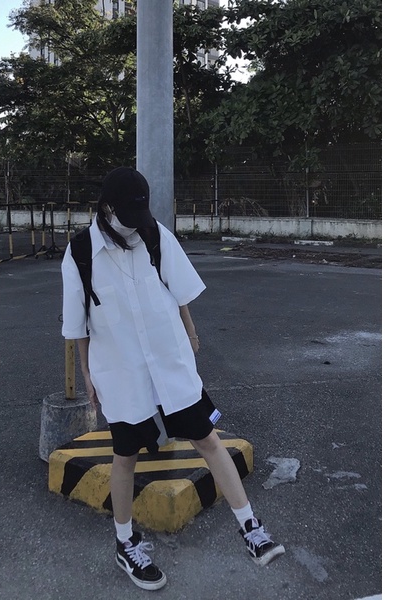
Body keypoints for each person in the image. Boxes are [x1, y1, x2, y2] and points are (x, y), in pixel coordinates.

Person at [61, 166, 285, 591]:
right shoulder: (80, 254)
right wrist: (86, 373)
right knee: (125, 457)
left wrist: (192, 334)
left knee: (208, 440)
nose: (136, 222)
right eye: (128, 214)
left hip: (169, 365)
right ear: (107, 209)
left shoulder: (154, 234)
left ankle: (251, 527)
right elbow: (78, 326)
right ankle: (125, 543)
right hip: (123, 374)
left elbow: (179, 293)